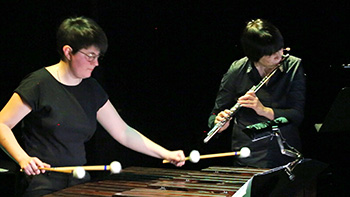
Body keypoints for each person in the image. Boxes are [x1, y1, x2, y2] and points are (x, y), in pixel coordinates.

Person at [0, 16, 185, 196]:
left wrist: (166, 153)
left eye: (98, 57)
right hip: (40, 183)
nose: (95, 63)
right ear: (68, 51)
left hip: (77, 181)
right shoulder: (38, 84)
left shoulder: (91, 89)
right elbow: (2, 124)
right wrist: (23, 158)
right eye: (90, 56)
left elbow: (123, 132)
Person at [208, 19, 306, 168]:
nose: (279, 55)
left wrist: (263, 110)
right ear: (255, 55)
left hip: (286, 153)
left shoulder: (293, 66)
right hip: (249, 155)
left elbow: (296, 116)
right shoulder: (237, 71)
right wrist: (219, 122)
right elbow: (215, 114)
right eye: (270, 53)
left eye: (280, 48)